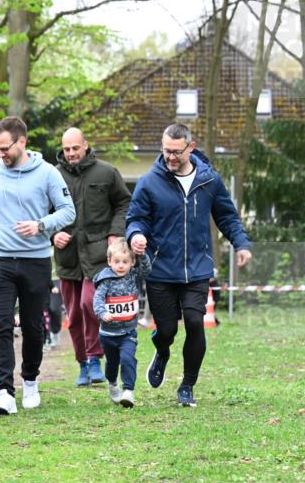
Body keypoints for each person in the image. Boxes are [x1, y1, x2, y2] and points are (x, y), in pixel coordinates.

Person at [0, 116, 76, 416]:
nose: (1, 154)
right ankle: (5, 391)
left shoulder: (47, 173)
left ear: (22, 142)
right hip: (0, 261)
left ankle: (30, 380)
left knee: (34, 328)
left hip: (35, 262)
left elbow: (68, 211)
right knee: (1, 325)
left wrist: (41, 225)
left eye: (5, 148)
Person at [126, 123, 252, 407]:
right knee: (167, 330)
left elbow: (227, 217)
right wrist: (135, 236)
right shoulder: (150, 181)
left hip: (197, 268)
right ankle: (162, 350)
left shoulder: (209, 181)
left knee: (196, 323)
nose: (170, 157)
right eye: (166, 151)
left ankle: (187, 385)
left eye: (176, 152)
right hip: (160, 270)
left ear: (190, 148)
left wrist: (241, 244)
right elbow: (136, 218)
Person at [53, 127, 132, 387]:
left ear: (85, 145)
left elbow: (123, 203)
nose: (72, 153)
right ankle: (83, 364)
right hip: (68, 255)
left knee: (90, 303)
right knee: (74, 315)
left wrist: (115, 233)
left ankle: (95, 356)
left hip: (99, 254)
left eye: (76, 147)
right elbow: (42, 210)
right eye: (67, 149)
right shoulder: (53, 175)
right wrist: (53, 234)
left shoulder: (106, 172)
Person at [92, 239, 152, 408]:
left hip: (128, 332)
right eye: (116, 262)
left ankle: (128, 391)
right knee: (112, 363)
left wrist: (141, 254)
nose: (120, 266)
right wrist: (102, 312)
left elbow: (147, 270)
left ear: (132, 262)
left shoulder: (133, 275)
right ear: (109, 261)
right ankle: (112, 383)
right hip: (108, 333)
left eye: (125, 262)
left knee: (128, 359)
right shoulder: (105, 280)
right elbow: (97, 299)